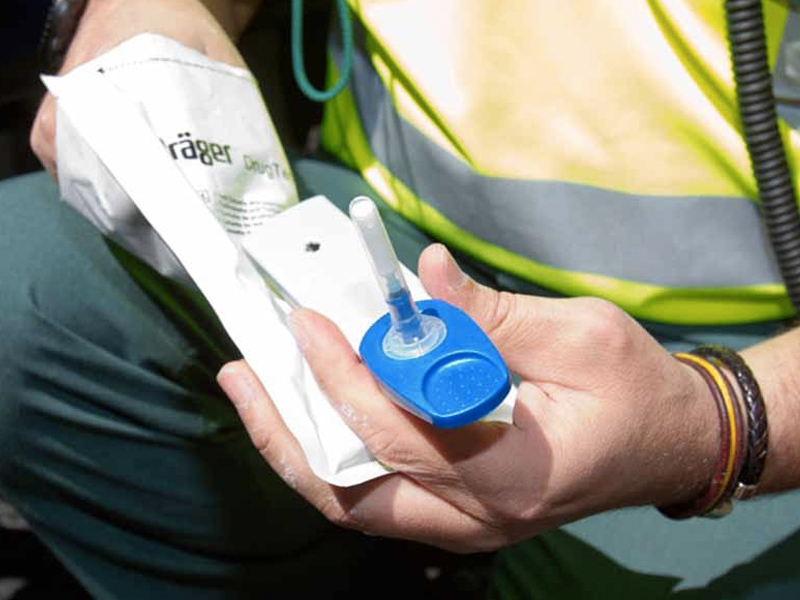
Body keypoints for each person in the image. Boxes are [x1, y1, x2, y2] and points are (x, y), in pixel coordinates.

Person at [2, 1, 799, 599]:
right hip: (387, 231)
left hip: (739, 351)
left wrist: (719, 427)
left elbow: (720, 422)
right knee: (24, 288)